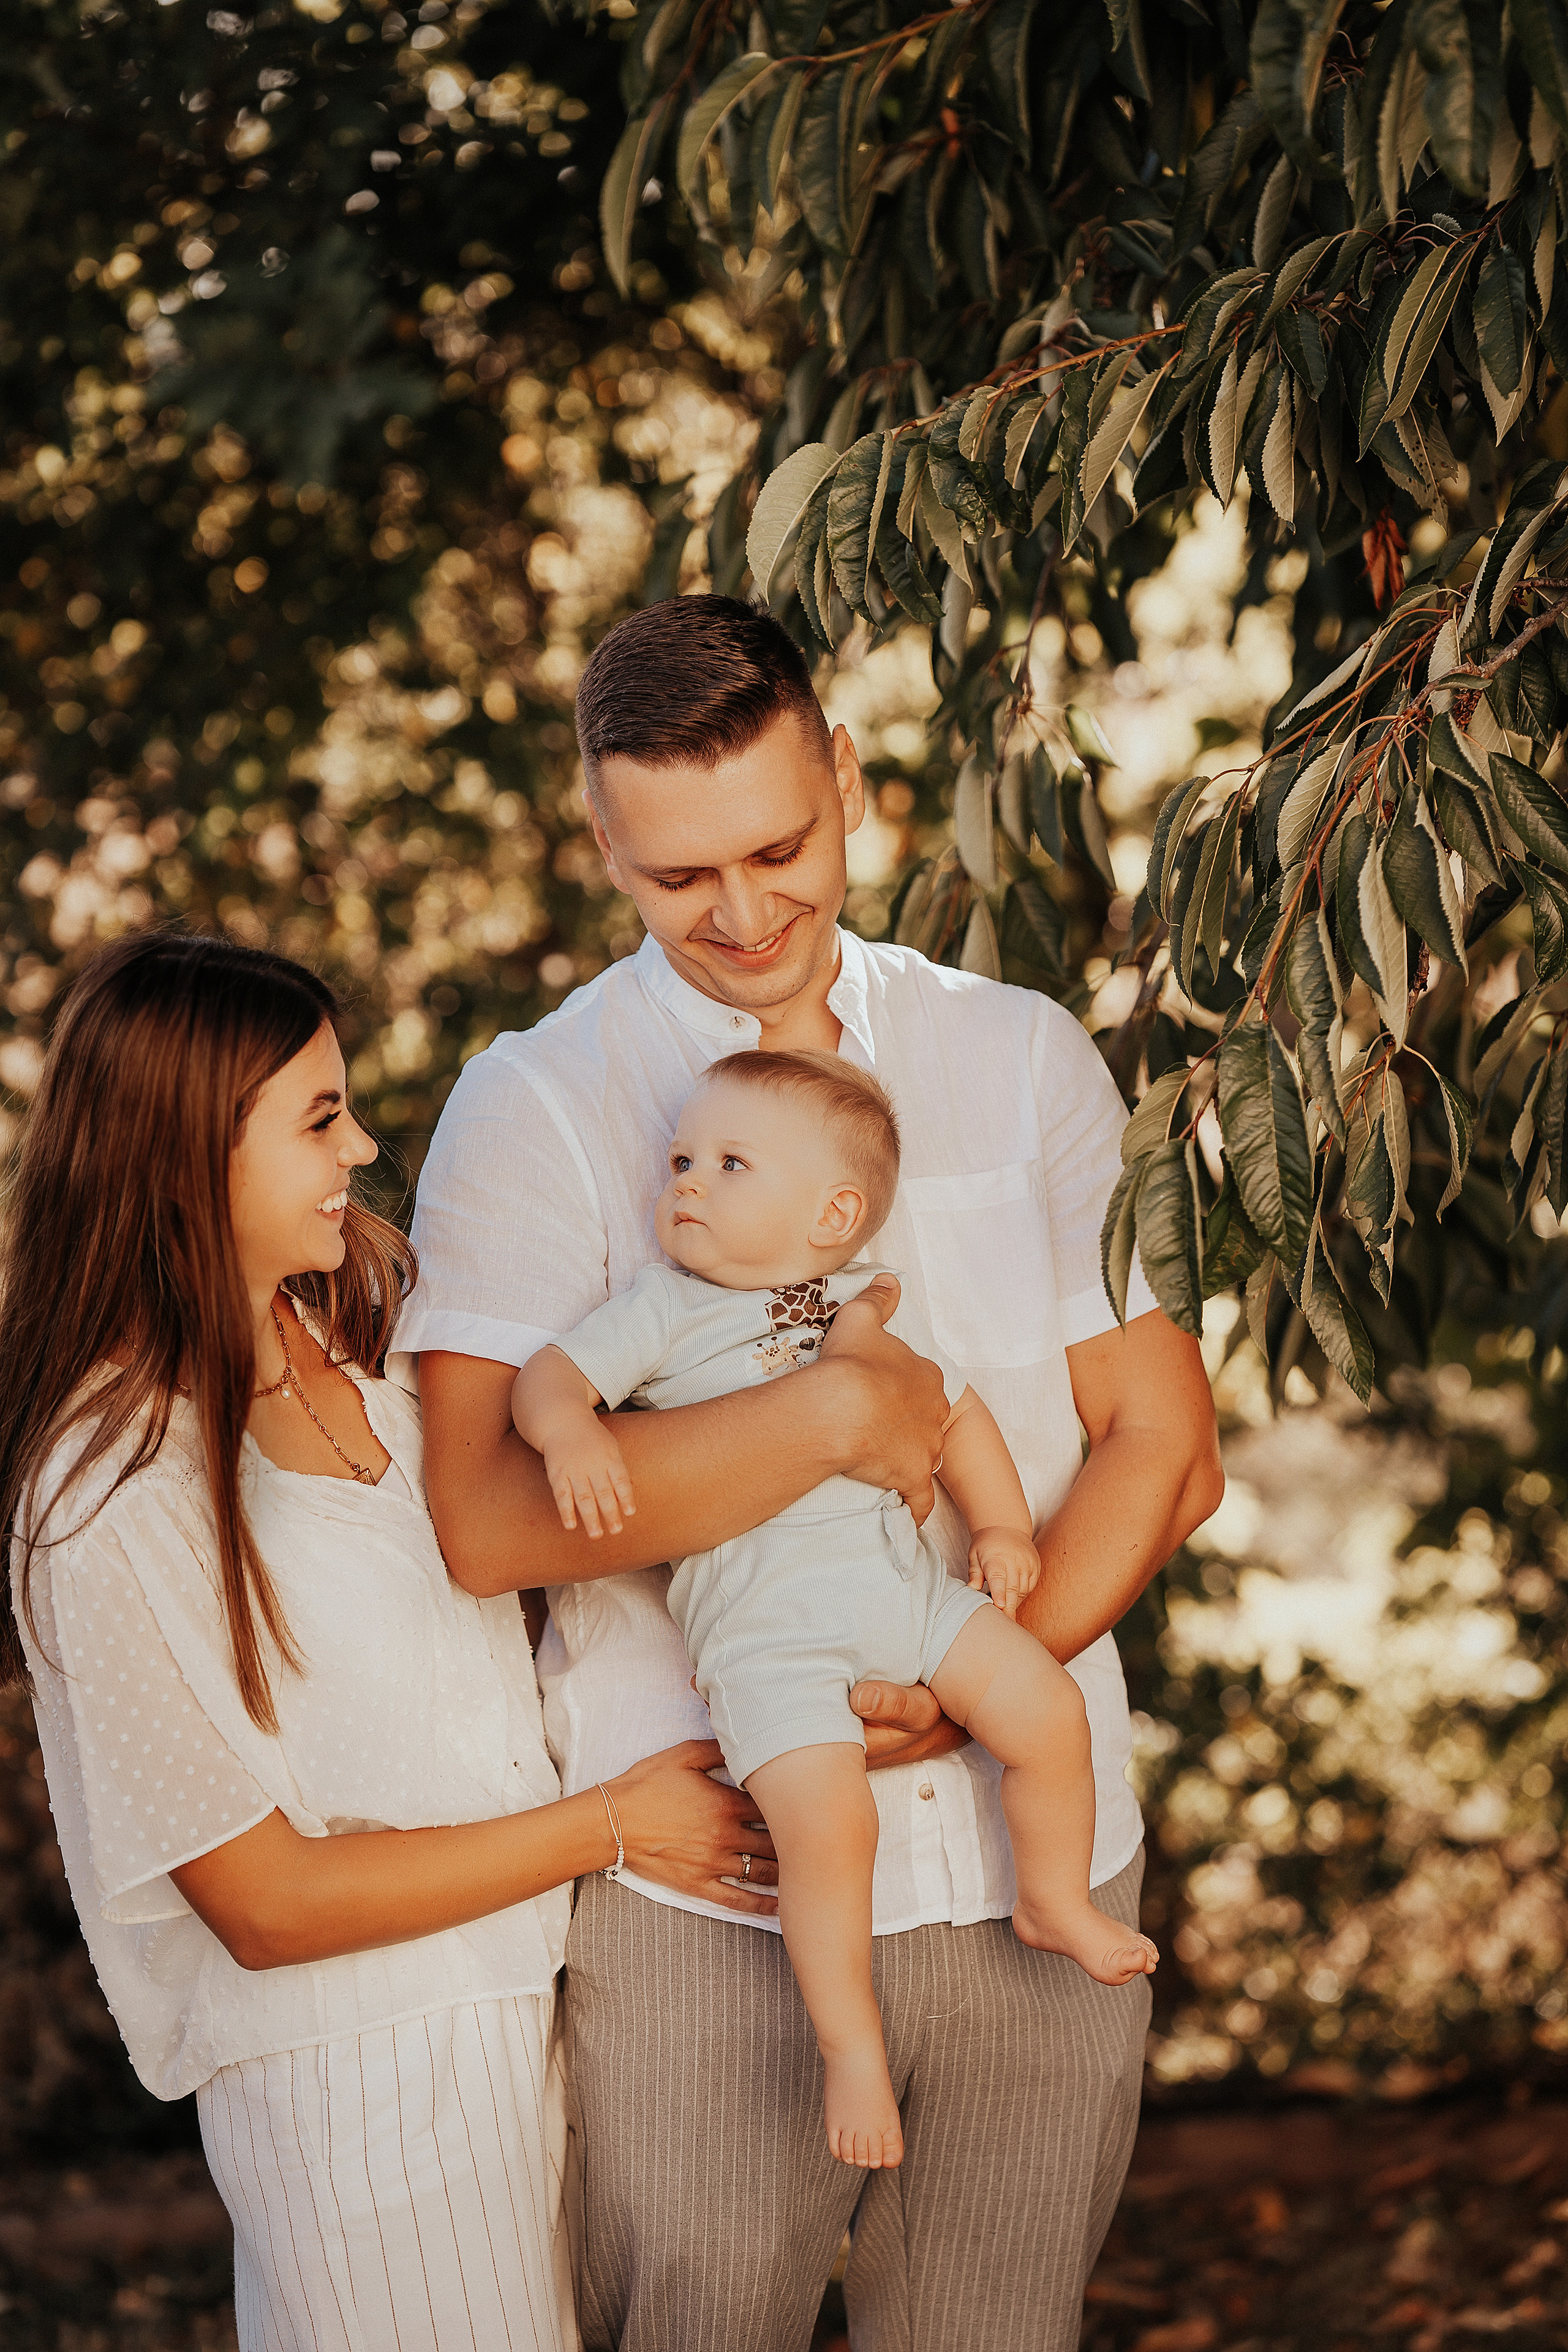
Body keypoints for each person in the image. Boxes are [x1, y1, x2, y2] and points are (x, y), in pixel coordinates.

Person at [400, 595, 1224, 2352]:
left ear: (848, 778)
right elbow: (481, 1521)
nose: (747, 914)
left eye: (782, 846)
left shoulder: (1023, 1060)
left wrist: (960, 1693)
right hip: (713, 1892)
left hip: (1037, 1878)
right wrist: (838, 1426)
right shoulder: (531, 1109)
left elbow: (1166, 1441)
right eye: (680, 879)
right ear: (603, 844)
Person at [0, 929, 778, 2352]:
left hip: (527, 2014)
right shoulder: (105, 1488)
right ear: (187, 1151)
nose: (361, 1142)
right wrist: (610, 1825)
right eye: (317, 1117)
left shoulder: (343, 1333)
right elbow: (264, 1902)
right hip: (359, 2090)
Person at [514, 1047, 1159, 2173]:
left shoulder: (853, 1305)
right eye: (680, 1160)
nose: (688, 1184)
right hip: (771, 1647)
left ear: (835, 1214)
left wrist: (1003, 1529)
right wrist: (573, 1433)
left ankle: (1053, 1896)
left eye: (728, 1163)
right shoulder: (665, 1309)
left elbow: (952, 1416)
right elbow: (550, 1381)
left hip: (910, 1601)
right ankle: (851, 2047)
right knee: (830, 1831)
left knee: (1049, 1713)